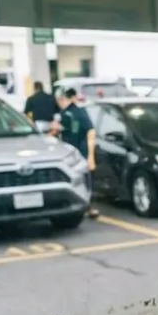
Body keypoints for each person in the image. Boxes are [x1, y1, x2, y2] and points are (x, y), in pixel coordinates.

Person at [53, 88, 99, 219]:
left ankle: (89, 206)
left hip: (80, 153)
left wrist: (91, 157)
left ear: (62, 99)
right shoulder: (66, 113)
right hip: (71, 154)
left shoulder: (78, 112)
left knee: (85, 180)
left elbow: (91, 131)